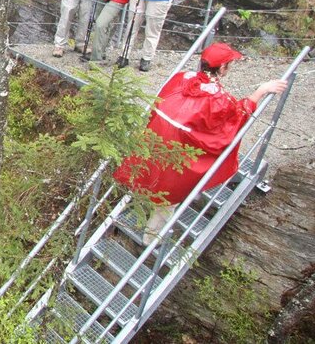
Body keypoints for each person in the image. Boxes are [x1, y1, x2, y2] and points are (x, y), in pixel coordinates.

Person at [113, 43, 288, 243]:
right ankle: (152, 240)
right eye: (229, 64)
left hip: (152, 143)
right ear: (222, 68)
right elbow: (236, 117)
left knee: (150, 177)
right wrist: (261, 90)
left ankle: (143, 204)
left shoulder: (181, 78)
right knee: (167, 195)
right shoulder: (219, 99)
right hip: (174, 155)